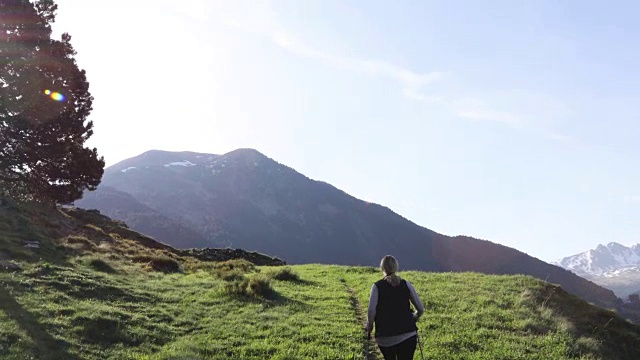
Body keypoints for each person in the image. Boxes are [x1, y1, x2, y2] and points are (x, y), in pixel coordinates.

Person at [366, 255, 425, 360]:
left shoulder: (377, 287)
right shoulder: (406, 284)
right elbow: (420, 309)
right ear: (396, 267)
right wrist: (414, 317)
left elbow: (371, 311)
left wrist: (370, 325)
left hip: (385, 337)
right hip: (408, 334)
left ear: (382, 268)